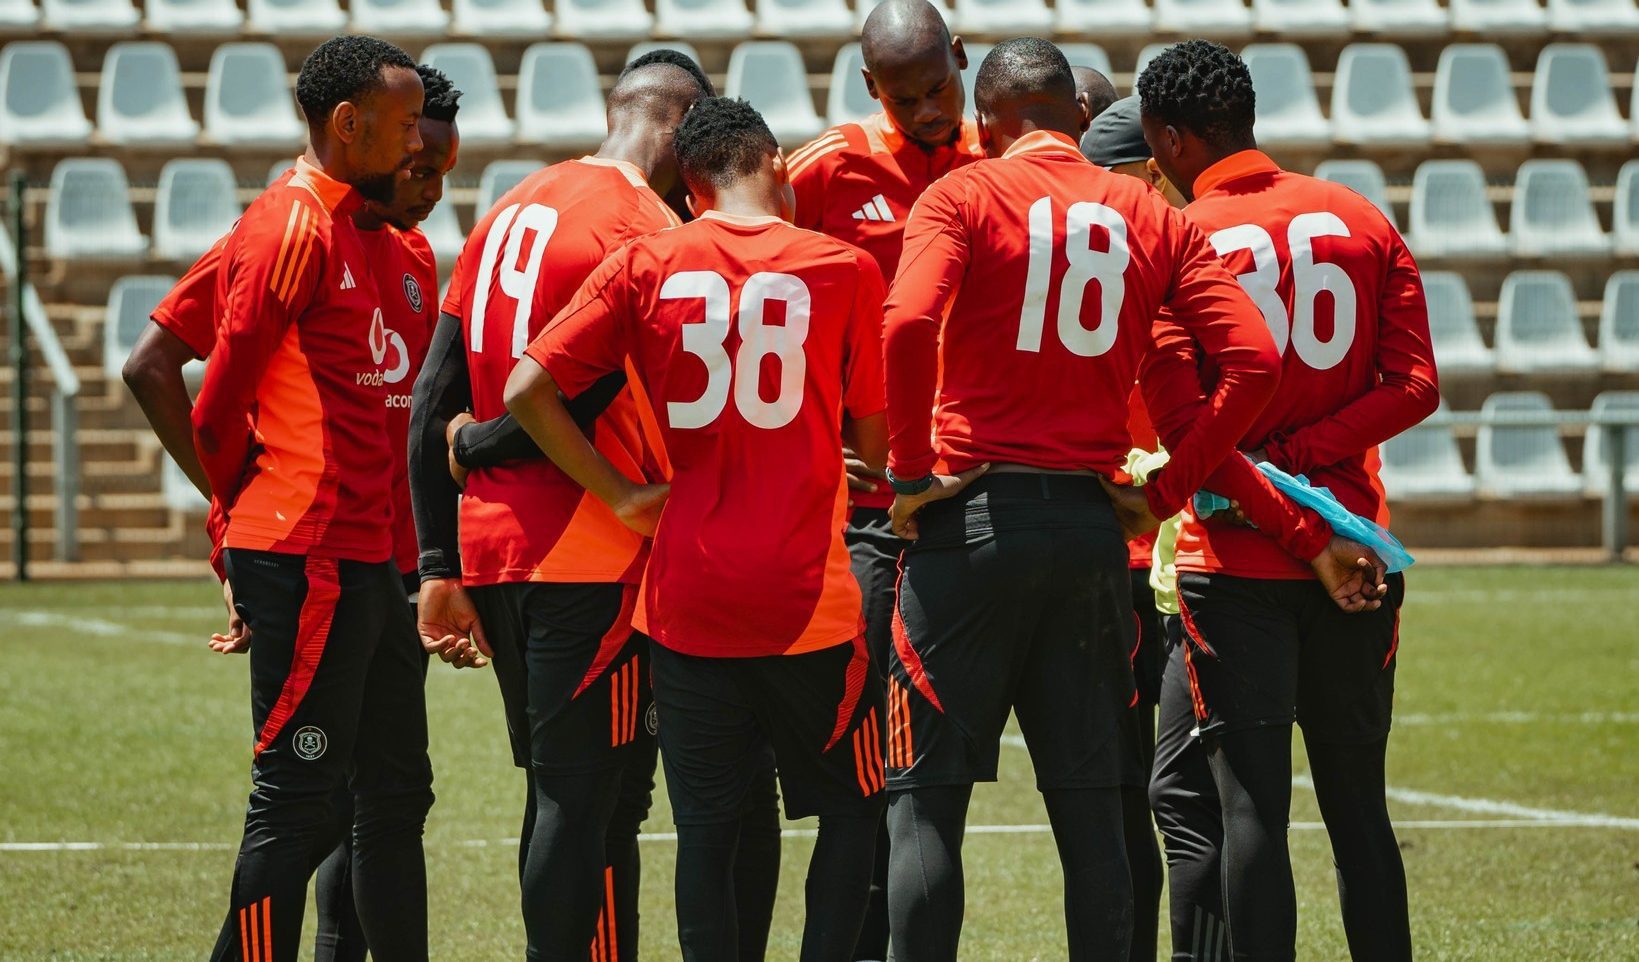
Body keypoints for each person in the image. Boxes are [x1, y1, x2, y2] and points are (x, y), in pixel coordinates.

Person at [879, 39, 1386, 962]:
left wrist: (910, 472)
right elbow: (1255, 364)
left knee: (924, 806)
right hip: (1088, 529)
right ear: (1077, 116)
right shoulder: (1148, 214)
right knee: (1094, 818)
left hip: (969, 522)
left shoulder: (956, 193)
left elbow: (908, 320)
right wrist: (1167, 490)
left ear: (983, 124)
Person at [504, 96, 889, 962]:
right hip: (808, 601)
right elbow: (875, 444)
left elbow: (526, 390)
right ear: (778, 164)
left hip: (685, 599)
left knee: (706, 830)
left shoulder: (644, 262)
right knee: (853, 807)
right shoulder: (842, 266)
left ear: (691, 190)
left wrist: (619, 493)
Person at [408, 58, 776, 962]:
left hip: (497, 550)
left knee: (588, 794)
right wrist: (485, 444)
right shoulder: (640, 225)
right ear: (688, 131)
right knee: (585, 798)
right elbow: (567, 392)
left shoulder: (509, 205)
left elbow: (429, 399)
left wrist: (437, 564)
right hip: (591, 553)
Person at [123, 65, 461, 962]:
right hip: (309, 552)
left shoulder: (407, 251)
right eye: (410, 139)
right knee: (301, 797)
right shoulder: (288, 226)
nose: (420, 160)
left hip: (378, 564)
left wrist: (433, 564)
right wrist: (235, 529)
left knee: (392, 795)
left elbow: (405, 426)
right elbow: (199, 392)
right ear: (353, 126)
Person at [1139, 39, 1439, 962]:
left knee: (1248, 812)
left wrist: (1271, 460)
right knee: (1359, 811)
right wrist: (1310, 455)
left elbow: (1190, 427)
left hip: (1232, 561)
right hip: (1354, 556)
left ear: (1176, 138)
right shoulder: (1357, 216)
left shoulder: (1175, 242)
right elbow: (1416, 385)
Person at [785, 3, 982, 955]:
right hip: (864, 513)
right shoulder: (822, 168)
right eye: (904, 99)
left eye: (938, 88)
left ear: (964, 62)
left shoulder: (1002, 159)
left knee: (936, 776)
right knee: (860, 769)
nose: (927, 111)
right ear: (871, 90)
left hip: (977, 503)